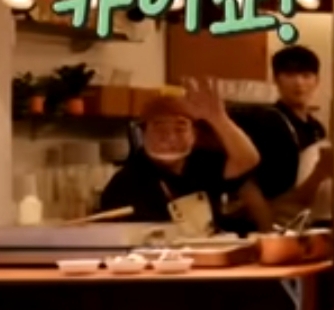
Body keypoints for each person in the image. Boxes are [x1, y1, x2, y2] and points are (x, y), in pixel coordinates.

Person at [100, 78, 260, 232]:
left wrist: (219, 118)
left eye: (180, 128)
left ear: (194, 135)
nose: (170, 138)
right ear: (143, 133)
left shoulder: (202, 164)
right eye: (160, 128)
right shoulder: (126, 182)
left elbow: (247, 159)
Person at [231, 45, 334, 231]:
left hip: (309, 221)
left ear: (317, 80)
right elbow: (250, 185)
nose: (299, 83)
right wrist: (321, 171)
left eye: (306, 75)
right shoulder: (266, 121)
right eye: (290, 75)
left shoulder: (316, 128)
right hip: (275, 221)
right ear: (276, 79)